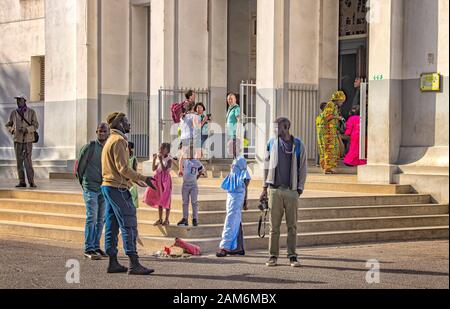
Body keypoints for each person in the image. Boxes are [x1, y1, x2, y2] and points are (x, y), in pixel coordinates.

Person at [101, 112, 157, 275]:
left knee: (112, 225)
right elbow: (123, 168)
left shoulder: (109, 140)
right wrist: (143, 178)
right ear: (118, 124)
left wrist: (133, 181)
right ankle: (134, 263)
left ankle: (113, 262)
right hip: (117, 188)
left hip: (108, 186)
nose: (129, 124)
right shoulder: (119, 141)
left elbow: (114, 169)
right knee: (129, 224)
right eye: (126, 122)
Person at [260, 117, 307, 268]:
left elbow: (303, 168)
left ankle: (292, 255)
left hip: (292, 191)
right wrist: (264, 187)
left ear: (286, 127)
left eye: (277, 127)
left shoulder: (298, 144)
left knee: (292, 226)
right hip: (275, 190)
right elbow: (266, 166)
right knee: (274, 227)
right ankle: (272, 256)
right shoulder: (271, 143)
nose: (275, 130)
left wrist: (299, 188)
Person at [76, 123, 110, 260]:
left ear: (108, 133)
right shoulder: (89, 147)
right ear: (96, 132)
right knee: (92, 217)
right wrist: (84, 185)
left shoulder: (108, 148)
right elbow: (80, 168)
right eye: (99, 131)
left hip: (103, 188)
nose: (101, 133)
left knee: (101, 219)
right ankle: (88, 247)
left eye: (104, 131)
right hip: (90, 188)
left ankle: (96, 246)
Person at [216, 156, 251, 257]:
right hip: (231, 196)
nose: (232, 167)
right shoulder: (233, 173)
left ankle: (224, 247)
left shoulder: (243, 173)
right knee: (235, 220)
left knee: (231, 220)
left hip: (237, 197)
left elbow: (245, 186)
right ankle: (238, 247)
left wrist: (245, 200)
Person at [5, 94, 39, 188]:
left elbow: (36, 125)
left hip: (28, 140)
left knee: (28, 161)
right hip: (17, 140)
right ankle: (22, 181)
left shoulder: (31, 112)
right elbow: (8, 124)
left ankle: (31, 181)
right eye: (17, 100)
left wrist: (27, 129)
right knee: (19, 162)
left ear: (24, 101)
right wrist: (12, 130)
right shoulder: (14, 113)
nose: (18, 102)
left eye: (19, 100)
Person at [143, 143, 173, 226]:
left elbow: (165, 170)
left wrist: (160, 160)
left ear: (167, 150)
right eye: (160, 148)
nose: (160, 150)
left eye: (163, 148)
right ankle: (160, 219)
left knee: (166, 199)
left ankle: (167, 219)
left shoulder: (169, 159)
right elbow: (153, 168)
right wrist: (154, 159)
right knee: (159, 198)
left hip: (165, 181)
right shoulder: (161, 158)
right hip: (158, 180)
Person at [317, 91, 346, 174]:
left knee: (328, 149)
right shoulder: (331, 105)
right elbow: (327, 117)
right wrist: (338, 117)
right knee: (329, 149)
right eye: (342, 101)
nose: (342, 103)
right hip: (327, 133)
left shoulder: (333, 106)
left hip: (329, 132)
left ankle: (326, 167)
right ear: (338, 99)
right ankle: (327, 168)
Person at [177, 145, 205, 227]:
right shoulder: (185, 162)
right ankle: (185, 218)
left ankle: (195, 218)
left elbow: (201, 170)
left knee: (194, 202)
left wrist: (197, 177)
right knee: (185, 202)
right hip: (185, 184)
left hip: (193, 185)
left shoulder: (197, 162)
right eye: (188, 152)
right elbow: (183, 169)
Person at [179, 102, 200, 176]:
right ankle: (195, 169)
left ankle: (180, 170)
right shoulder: (193, 116)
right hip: (190, 137)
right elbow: (195, 126)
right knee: (195, 154)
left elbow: (180, 127)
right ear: (193, 108)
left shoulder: (182, 117)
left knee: (183, 154)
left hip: (183, 137)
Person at [226, 93, 241, 158]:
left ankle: (238, 164)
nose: (229, 100)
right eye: (228, 99)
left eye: (231, 99)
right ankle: (235, 164)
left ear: (235, 100)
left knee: (235, 150)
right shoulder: (230, 108)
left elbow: (238, 119)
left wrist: (238, 131)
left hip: (235, 133)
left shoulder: (236, 108)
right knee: (232, 150)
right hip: (230, 133)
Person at [315, 102, 328, 167]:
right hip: (323, 134)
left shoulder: (319, 116)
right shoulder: (324, 116)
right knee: (323, 148)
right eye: (327, 107)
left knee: (321, 148)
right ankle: (323, 163)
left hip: (320, 134)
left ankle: (319, 162)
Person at [128, 142, 139, 208]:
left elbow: (135, 170)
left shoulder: (133, 158)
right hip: (125, 181)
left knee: (132, 199)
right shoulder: (123, 157)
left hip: (131, 181)